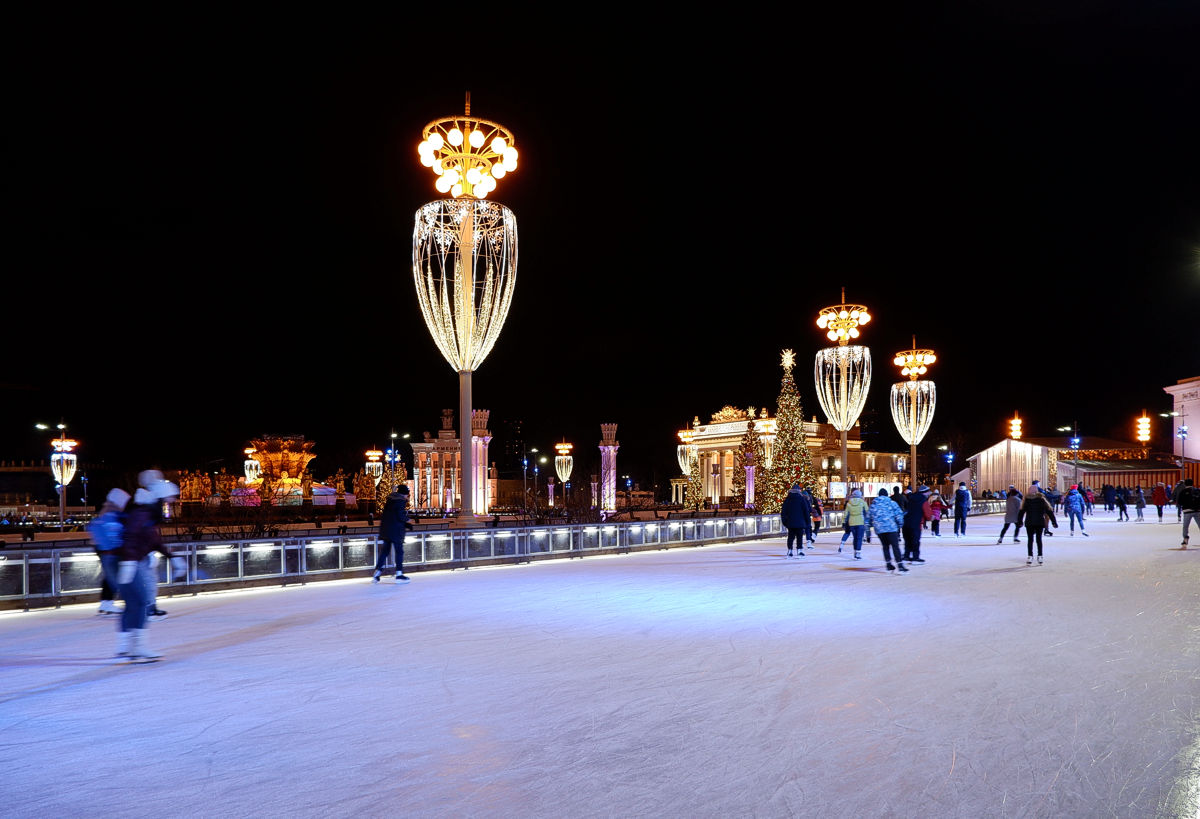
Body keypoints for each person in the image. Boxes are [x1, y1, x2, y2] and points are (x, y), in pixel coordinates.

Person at [114, 477, 182, 661]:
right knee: (140, 602)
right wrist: (129, 562)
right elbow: (130, 536)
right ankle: (135, 648)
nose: (170, 504)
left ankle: (128, 647)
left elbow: (154, 540)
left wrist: (172, 557)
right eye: (168, 500)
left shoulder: (147, 514)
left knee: (135, 603)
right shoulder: (142, 513)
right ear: (159, 498)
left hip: (130, 561)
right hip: (128, 562)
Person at [86, 488, 130, 615]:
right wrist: (109, 547)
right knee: (115, 577)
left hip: (107, 550)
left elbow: (94, 527)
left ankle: (106, 602)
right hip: (110, 551)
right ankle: (112, 602)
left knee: (110, 576)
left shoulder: (107, 514)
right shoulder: (113, 515)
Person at [373, 484, 414, 583]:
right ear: (403, 494)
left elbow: (392, 517)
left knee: (385, 551)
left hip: (386, 530)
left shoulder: (390, 500)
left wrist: (405, 524)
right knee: (399, 552)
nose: (407, 496)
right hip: (396, 532)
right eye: (407, 494)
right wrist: (408, 520)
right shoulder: (400, 501)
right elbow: (400, 515)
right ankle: (399, 574)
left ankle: (377, 572)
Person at [866, 488, 907, 573]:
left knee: (885, 546)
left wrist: (868, 534)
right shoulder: (892, 503)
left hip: (879, 530)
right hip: (891, 528)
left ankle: (888, 564)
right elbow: (899, 515)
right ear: (887, 495)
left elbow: (867, 520)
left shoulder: (873, 505)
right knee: (895, 546)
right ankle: (900, 565)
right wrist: (900, 525)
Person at [1017, 484, 1057, 565]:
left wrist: (1019, 522)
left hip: (1029, 522)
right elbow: (1049, 511)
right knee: (1039, 540)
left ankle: (1030, 556)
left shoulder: (1026, 500)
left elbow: (1021, 512)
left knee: (1030, 540)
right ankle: (1040, 556)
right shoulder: (1042, 499)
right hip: (1039, 522)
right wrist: (1054, 522)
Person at [780, 483, 812, 558]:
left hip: (790, 522)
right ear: (799, 490)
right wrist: (808, 521)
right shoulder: (802, 499)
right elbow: (806, 511)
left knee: (790, 537)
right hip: (800, 522)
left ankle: (790, 551)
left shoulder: (787, 499)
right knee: (799, 537)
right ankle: (799, 551)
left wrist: (785, 522)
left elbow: (783, 512)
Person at [902, 485, 930, 564]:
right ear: (925, 492)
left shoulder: (910, 498)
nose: (929, 494)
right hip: (916, 523)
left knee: (908, 541)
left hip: (906, 523)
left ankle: (906, 557)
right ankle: (915, 558)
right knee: (915, 541)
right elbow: (928, 515)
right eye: (928, 492)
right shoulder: (923, 500)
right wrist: (931, 517)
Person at [839, 488, 867, 559]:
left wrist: (843, 521)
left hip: (851, 522)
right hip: (860, 522)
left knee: (855, 538)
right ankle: (858, 553)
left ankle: (855, 551)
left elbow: (846, 513)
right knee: (859, 538)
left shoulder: (849, 503)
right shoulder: (862, 502)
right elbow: (867, 511)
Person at [1179, 479, 1199, 548]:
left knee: (1185, 526)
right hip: (1197, 511)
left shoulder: (1183, 491)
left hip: (1187, 511)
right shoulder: (1197, 490)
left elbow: (1180, 501)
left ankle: (1185, 538)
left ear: (1185, 484)